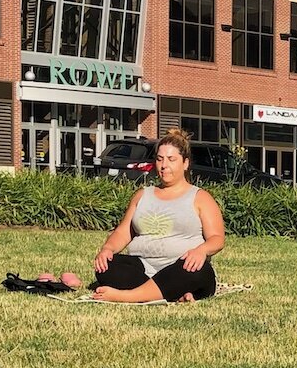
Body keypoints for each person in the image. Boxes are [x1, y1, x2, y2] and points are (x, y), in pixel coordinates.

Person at [90, 129, 225, 303]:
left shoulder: (200, 197)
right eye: (160, 159)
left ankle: (129, 296)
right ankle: (168, 293)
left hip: (181, 267)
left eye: (171, 159)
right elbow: (123, 232)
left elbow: (217, 238)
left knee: (198, 271)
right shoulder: (142, 195)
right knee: (106, 267)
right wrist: (107, 249)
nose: (164, 165)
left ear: (185, 163)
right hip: (143, 267)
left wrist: (201, 251)